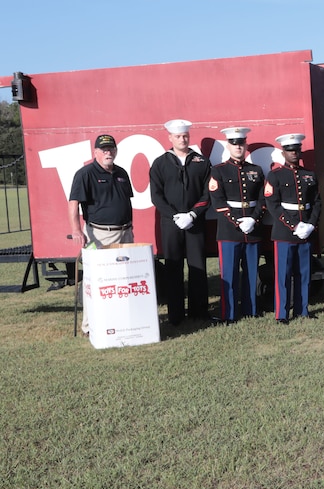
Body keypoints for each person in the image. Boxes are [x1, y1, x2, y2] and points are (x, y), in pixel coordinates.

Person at [68, 133, 135, 335]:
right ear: (95, 152)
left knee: (123, 279)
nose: (108, 152)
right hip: (101, 234)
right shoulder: (85, 173)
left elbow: (125, 201)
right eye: (104, 149)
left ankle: (119, 319)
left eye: (111, 149)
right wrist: (76, 229)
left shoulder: (122, 172)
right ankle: (89, 326)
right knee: (98, 280)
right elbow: (73, 205)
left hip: (126, 232)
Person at [149, 119, 212, 325]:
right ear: (170, 138)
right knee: (173, 267)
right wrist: (174, 216)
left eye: (185, 136)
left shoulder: (201, 162)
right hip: (171, 224)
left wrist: (192, 214)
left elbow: (207, 193)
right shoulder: (160, 163)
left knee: (198, 267)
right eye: (178, 136)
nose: (182, 139)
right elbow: (156, 196)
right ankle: (175, 315)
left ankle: (199, 312)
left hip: (195, 223)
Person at [209, 127, 264, 323]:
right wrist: (237, 221)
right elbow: (218, 201)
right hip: (229, 231)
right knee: (229, 275)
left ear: (246, 145)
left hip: (252, 228)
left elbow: (262, 199)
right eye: (234, 143)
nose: (238, 147)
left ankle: (251, 310)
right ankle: (229, 314)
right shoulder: (218, 170)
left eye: (241, 143)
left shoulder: (256, 171)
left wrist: (253, 219)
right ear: (228, 146)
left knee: (251, 273)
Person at [266, 133, 322, 324]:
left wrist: (310, 224)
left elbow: (316, 202)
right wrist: (294, 225)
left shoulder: (309, 175)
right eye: (290, 150)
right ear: (283, 152)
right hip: (284, 232)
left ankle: (302, 310)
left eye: (297, 150)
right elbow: (273, 204)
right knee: (283, 274)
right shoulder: (275, 175)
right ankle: (281, 314)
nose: (294, 153)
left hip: (305, 230)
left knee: (304, 273)